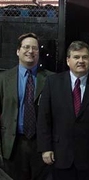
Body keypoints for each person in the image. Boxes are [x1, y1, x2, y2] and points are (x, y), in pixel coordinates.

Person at [37, 41, 89, 180]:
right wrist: (45, 148)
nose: (81, 61)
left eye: (85, 57)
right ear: (68, 60)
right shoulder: (52, 82)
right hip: (60, 155)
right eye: (76, 57)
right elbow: (44, 117)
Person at [0, 32, 53, 180]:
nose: (30, 51)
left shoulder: (52, 79)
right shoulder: (4, 79)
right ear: (18, 51)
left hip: (41, 145)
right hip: (13, 144)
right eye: (26, 47)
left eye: (35, 48)